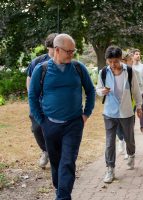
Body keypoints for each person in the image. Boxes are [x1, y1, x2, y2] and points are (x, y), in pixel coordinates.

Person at [28, 33, 95, 199]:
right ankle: (61, 191)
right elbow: (32, 95)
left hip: (73, 124)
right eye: (69, 51)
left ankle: (62, 196)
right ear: (57, 50)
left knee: (68, 162)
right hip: (50, 124)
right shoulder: (41, 69)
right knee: (56, 163)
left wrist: (86, 114)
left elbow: (91, 90)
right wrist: (41, 120)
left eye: (73, 51)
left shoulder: (79, 68)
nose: (72, 54)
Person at [96, 46, 143, 183]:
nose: (112, 65)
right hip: (110, 112)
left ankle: (131, 154)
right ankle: (110, 169)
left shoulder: (129, 71)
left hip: (126, 111)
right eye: (109, 62)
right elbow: (98, 89)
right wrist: (102, 91)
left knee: (129, 138)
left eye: (115, 61)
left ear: (120, 59)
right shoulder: (103, 72)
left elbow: (136, 90)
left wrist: (139, 106)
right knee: (110, 142)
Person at [26, 33, 57, 169]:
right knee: (37, 128)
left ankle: (56, 154)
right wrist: (32, 97)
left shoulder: (64, 61)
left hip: (56, 104)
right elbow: (29, 80)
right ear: (49, 47)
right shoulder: (37, 62)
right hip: (38, 103)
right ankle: (45, 151)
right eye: (54, 47)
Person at [131, 49, 143, 135]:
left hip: (142, 92)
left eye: (139, 54)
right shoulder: (130, 67)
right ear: (132, 56)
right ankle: (131, 128)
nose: (138, 55)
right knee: (132, 112)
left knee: (142, 111)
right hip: (132, 93)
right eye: (136, 54)